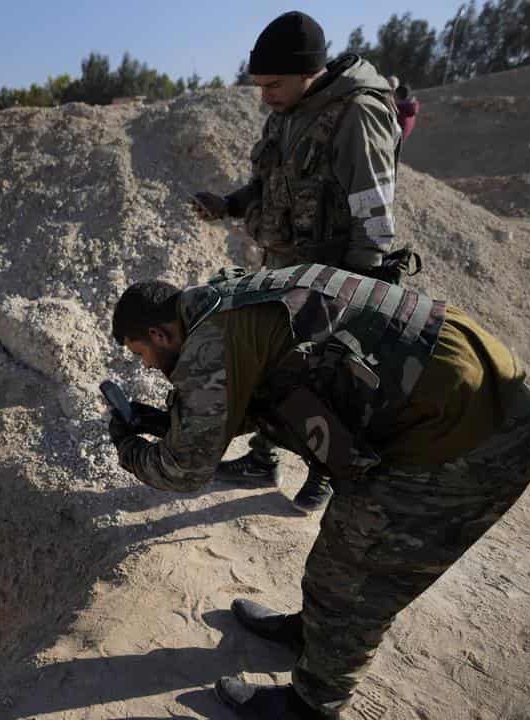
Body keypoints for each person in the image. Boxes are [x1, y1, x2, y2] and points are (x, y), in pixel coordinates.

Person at [106, 265, 530, 719]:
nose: (145, 365)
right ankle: (314, 636)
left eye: (141, 352)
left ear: (161, 334)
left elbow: (184, 472)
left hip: (468, 439)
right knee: (339, 553)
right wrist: (168, 423)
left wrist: (127, 447)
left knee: (355, 577)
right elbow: (257, 391)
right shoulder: (227, 300)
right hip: (461, 393)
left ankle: (311, 707)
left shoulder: (208, 342)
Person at [189, 11, 406, 513]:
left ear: (308, 70)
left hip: (334, 276)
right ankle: (264, 458)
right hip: (282, 267)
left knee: (326, 378)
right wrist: (231, 203)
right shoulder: (288, 112)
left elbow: (374, 207)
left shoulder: (357, 111)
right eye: (259, 85)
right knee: (274, 367)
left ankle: (325, 474)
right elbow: (270, 183)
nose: (264, 94)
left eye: (273, 83)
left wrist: (358, 288)